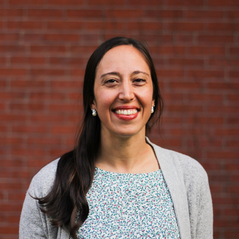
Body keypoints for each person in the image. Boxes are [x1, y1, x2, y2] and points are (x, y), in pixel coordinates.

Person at [19, 37, 213, 239]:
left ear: (153, 97)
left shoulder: (190, 177)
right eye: (111, 81)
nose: (127, 94)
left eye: (138, 80)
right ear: (92, 100)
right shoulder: (49, 184)